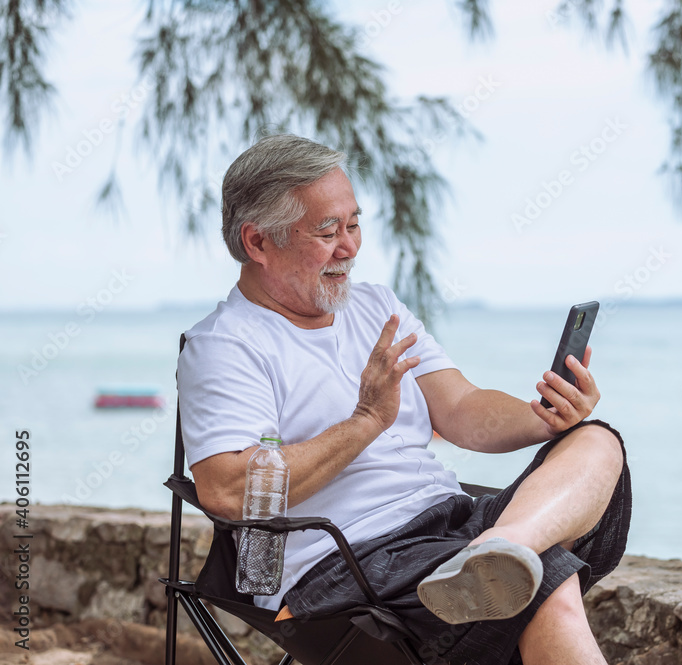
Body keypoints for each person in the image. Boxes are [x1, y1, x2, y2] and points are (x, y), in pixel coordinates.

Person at [177, 134, 631, 665]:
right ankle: (503, 556)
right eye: (327, 231)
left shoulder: (376, 306)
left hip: (453, 527)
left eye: (353, 224)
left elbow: (461, 409)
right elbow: (228, 491)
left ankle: (500, 549)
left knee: (596, 441)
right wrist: (366, 421)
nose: (349, 246)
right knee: (548, 589)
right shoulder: (227, 345)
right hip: (348, 560)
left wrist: (543, 418)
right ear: (257, 243)